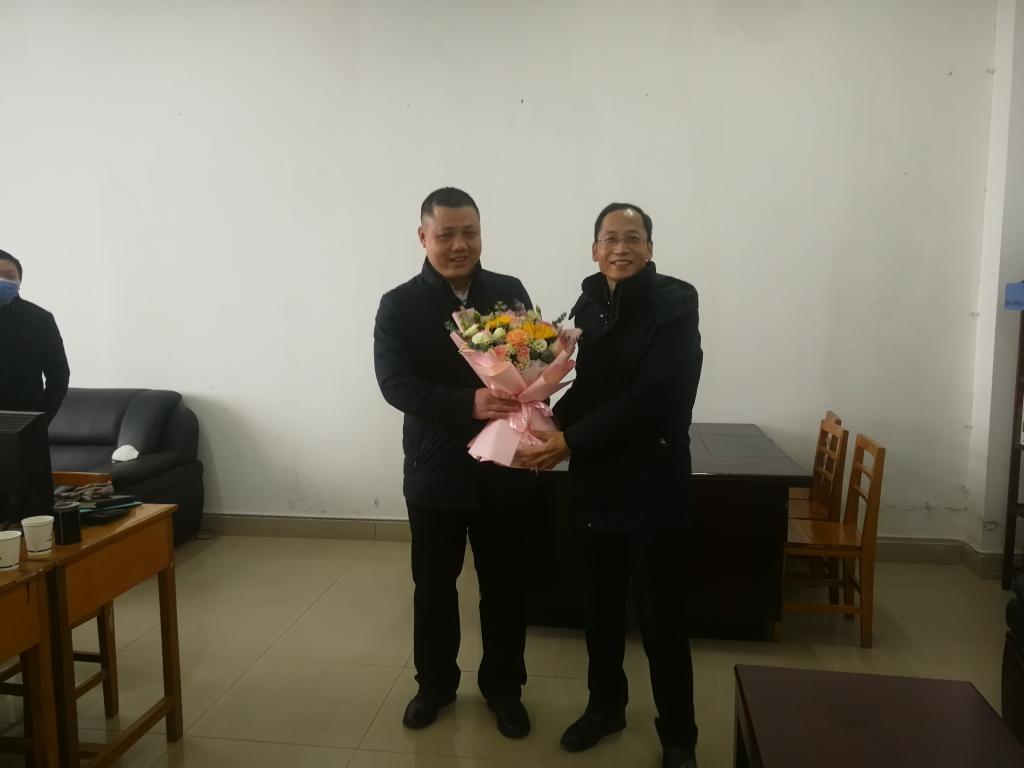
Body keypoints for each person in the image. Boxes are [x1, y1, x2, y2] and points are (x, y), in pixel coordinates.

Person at [518, 203, 703, 768]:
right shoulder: (588, 303)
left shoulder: (675, 303)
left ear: (650, 248)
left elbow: (652, 396)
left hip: (652, 482)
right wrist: (539, 420)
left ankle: (679, 736)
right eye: (610, 239)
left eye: (633, 238)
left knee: (661, 618)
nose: (621, 248)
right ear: (595, 249)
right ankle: (605, 708)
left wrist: (569, 441)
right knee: (598, 609)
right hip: (596, 482)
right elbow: (591, 386)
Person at [373, 187, 534, 738]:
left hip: (504, 467)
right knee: (434, 586)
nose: (460, 244)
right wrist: (468, 402)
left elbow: (532, 361)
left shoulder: (508, 292)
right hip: (435, 469)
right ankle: (435, 686)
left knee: (505, 586)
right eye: (447, 234)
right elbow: (395, 384)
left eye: (470, 232)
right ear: (424, 237)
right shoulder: (399, 304)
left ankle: (505, 688)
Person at [0, 250, 70, 421]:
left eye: (9, 276)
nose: (2, 281)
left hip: (23, 423)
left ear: (19, 281)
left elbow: (59, 375)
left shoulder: (40, 319)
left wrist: (40, 419)